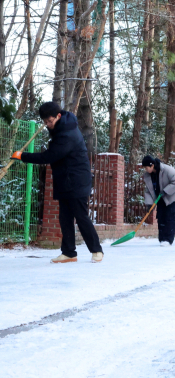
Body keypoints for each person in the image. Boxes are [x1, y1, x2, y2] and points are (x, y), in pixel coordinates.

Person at [11, 102, 103, 263]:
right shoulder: (62, 128)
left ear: (58, 116)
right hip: (65, 179)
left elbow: (48, 156)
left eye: (50, 121)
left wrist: (23, 156)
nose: (47, 125)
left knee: (81, 216)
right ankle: (69, 253)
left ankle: (97, 250)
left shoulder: (67, 134)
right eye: (45, 122)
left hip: (76, 180)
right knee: (65, 217)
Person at [142, 156, 175, 246]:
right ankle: (162, 239)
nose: (145, 169)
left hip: (171, 196)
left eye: (146, 167)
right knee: (160, 217)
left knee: (170, 217)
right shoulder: (148, 175)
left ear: (152, 165)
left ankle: (168, 239)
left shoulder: (167, 170)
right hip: (159, 197)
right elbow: (148, 190)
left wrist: (165, 191)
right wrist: (149, 204)